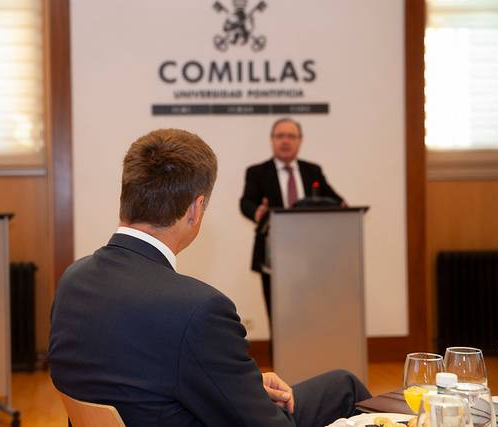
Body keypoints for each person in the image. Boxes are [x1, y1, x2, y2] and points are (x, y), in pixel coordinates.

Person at [49, 128, 369, 427]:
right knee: (345, 387)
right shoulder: (197, 309)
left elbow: (137, 366)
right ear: (196, 208)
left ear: (127, 194)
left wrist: (246, 381)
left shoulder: (73, 280)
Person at [240, 118, 344, 317]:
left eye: (291, 136)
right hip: (273, 255)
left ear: (300, 140)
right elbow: (246, 202)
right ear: (272, 140)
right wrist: (257, 212)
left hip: (312, 254)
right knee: (279, 316)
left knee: (311, 314)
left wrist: (342, 206)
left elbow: (335, 200)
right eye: (280, 136)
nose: (285, 141)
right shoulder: (257, 172)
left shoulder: (313, 171)